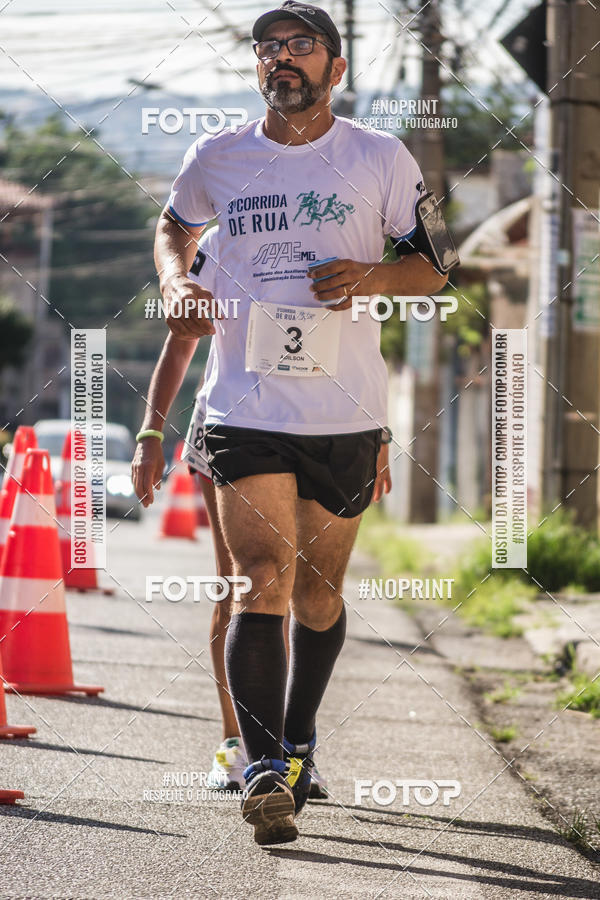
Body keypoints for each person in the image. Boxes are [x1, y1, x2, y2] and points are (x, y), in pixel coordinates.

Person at [152, 0, 448, 846]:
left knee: (318, 593)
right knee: (261, 579)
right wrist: (176, 281)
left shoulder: (379, 157)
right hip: (244, 404)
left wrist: (371, 276)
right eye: (268, 48)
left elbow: (433, 270)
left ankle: (301, 737)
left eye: (300, 46)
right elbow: (174, 226)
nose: (281, 57)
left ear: (336, 68)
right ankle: (260, 766)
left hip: (344, 411)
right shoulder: (218, 156)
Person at [132, 227, 392, 794]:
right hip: (234, 429)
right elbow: (180, 344)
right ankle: (243, 746)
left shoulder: (339, 229)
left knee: (314, 587)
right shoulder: (228, 237)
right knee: (246, 581)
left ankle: (298, 748)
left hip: (325, 429)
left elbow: (360, 352)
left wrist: (381, 439)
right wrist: (151, 432)